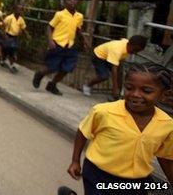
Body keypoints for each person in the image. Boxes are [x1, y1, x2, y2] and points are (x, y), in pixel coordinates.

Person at [67, 63, 173, 194]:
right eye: (129, 88)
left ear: (164, 95)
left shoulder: (167, 124)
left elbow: (166, 157)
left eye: (146, 91)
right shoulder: (103, 112)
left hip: (137, 181)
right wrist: (75, 161)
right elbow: (83, 132)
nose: (135, 94)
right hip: (99, 175)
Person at [33, 0, 88, 96]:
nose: (72, 2)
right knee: (52, 67)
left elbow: (78, 30)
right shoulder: (60, 14)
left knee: (67, 68)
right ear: (64, 2)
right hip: (57, 44)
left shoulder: (79, 16)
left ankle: (52, 84)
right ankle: (40, 74)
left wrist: (83, 40)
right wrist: (50, 40)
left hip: (70, 46)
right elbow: (49, 27)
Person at [82, 35, 148, 101]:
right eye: (135, 50)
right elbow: (114, 69)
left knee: (120, 74)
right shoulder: (117, 49)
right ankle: (87, 85)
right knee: (104, 76)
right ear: (129, 44)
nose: (136, 52)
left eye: (138, 51)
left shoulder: (129, 46)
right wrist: (115, 87)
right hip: (99, 56)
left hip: (109, 56)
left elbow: (119, 65)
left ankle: (119, 94)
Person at [0, 4, 30, 73]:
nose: (20, 11)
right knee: (7, 49)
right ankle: (4, 59)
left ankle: (11, 64)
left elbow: (23, 28)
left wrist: (27, 35)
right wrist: (4, 34)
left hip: (15, 37)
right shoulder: (9, 18)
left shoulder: (21, 19)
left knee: (12, 51)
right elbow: (2, 25)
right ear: (14, 10)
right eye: (18, 9)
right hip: (8, 36)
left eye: (21, 10)